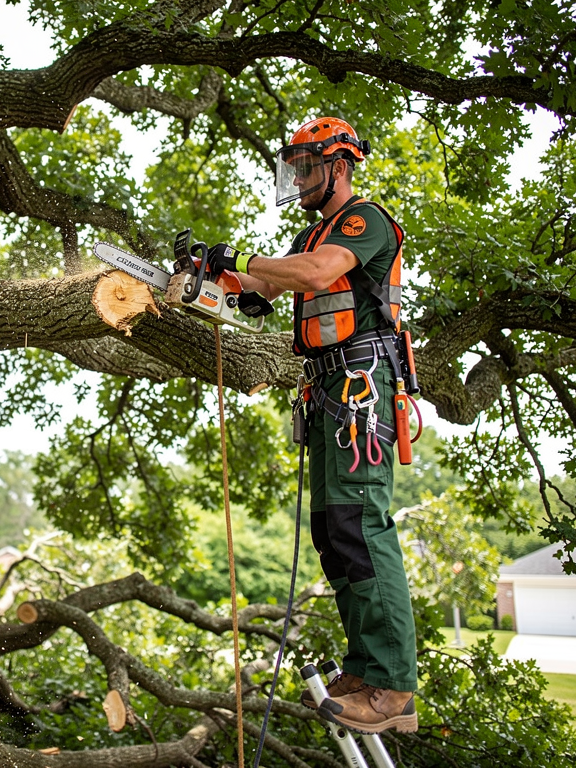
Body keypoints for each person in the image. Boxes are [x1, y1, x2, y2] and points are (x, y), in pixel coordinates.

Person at [206, 117, 418, 735]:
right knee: (332, 531)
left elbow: (319, 273)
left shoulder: (364, 220)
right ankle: (365, 665)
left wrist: (246, 259)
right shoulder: (312, 233)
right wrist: (214, 271)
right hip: (326, 387)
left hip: (360, 387)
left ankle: (392, 684)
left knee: (360, 524)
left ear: (339, 167)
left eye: (306, 166)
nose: (296, 177)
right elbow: (264, 283)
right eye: (292, 166)